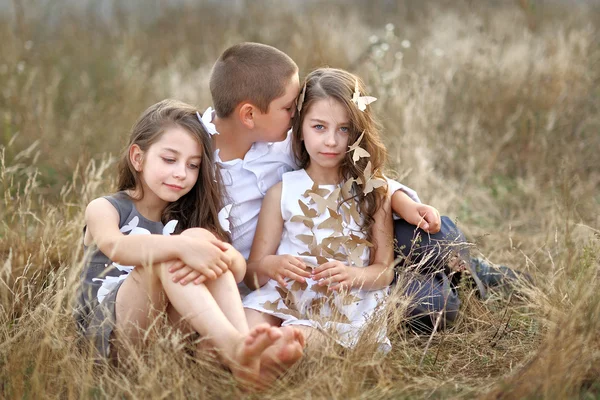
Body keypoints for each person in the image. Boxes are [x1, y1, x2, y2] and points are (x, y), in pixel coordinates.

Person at [74, 99, 303, 387]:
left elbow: (238, 271)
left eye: (192, 165)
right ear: (138, 157)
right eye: (169, 160)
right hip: (113, 340)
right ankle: (236, 351)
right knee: (169, 255)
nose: (181, 173)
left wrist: (215, 251)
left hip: (166, 342)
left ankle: (243, 347)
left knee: (200, 237)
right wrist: (183, 248)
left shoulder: (187, 220)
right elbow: (117, 247)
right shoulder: (106, 208)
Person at [241, 67, 401, 349]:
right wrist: (269, 265)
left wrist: (354, 275)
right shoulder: (282, 191)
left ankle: (272, 358)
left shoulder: (372, 193)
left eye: (344, 129)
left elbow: (384, 270)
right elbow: (253, 272)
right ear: (300, 128)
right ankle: (252, 358)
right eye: (319, 127)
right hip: (283, 295)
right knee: (244, 330)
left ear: (358, 133)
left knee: (295, 341)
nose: (331, 141)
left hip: (342, 303)